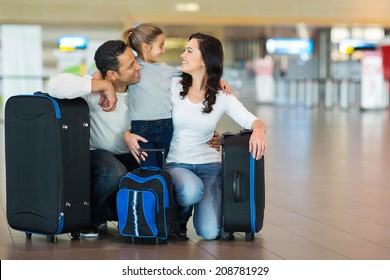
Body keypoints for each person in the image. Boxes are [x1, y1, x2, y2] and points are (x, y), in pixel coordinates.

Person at [163, 33, 267, 240]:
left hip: (210, 166)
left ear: (205, 60)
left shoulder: (221, 95)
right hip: (176, 163)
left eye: (189, 51)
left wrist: (259, 131)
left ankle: (195, 208)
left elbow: (252, 120)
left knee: (210, 233)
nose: (183, 55)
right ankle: (181, 214)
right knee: (191, 190)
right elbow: (148, 75)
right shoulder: (172, 86)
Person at [48, 40, 144, 238]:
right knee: (113, 171)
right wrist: (102, 85)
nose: (138, 67)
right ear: (111, 74)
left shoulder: (141, 88)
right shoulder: (94, 91)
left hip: (132, 153)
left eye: (135, 61)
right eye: (131, 65)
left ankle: (132, 219)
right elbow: (55, 85)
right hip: (97, 156)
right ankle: (89, 218)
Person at [122, 22, 231, 167]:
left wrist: (218, 80)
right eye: (160, 46)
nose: (163, 50)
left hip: (166, 126)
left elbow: (196, 74)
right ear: (146, 47)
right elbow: (110, 75)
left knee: (163, 167)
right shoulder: (134, 70)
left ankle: (163, 188)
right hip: (142, 128)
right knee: (149, 168)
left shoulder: (166, 70)